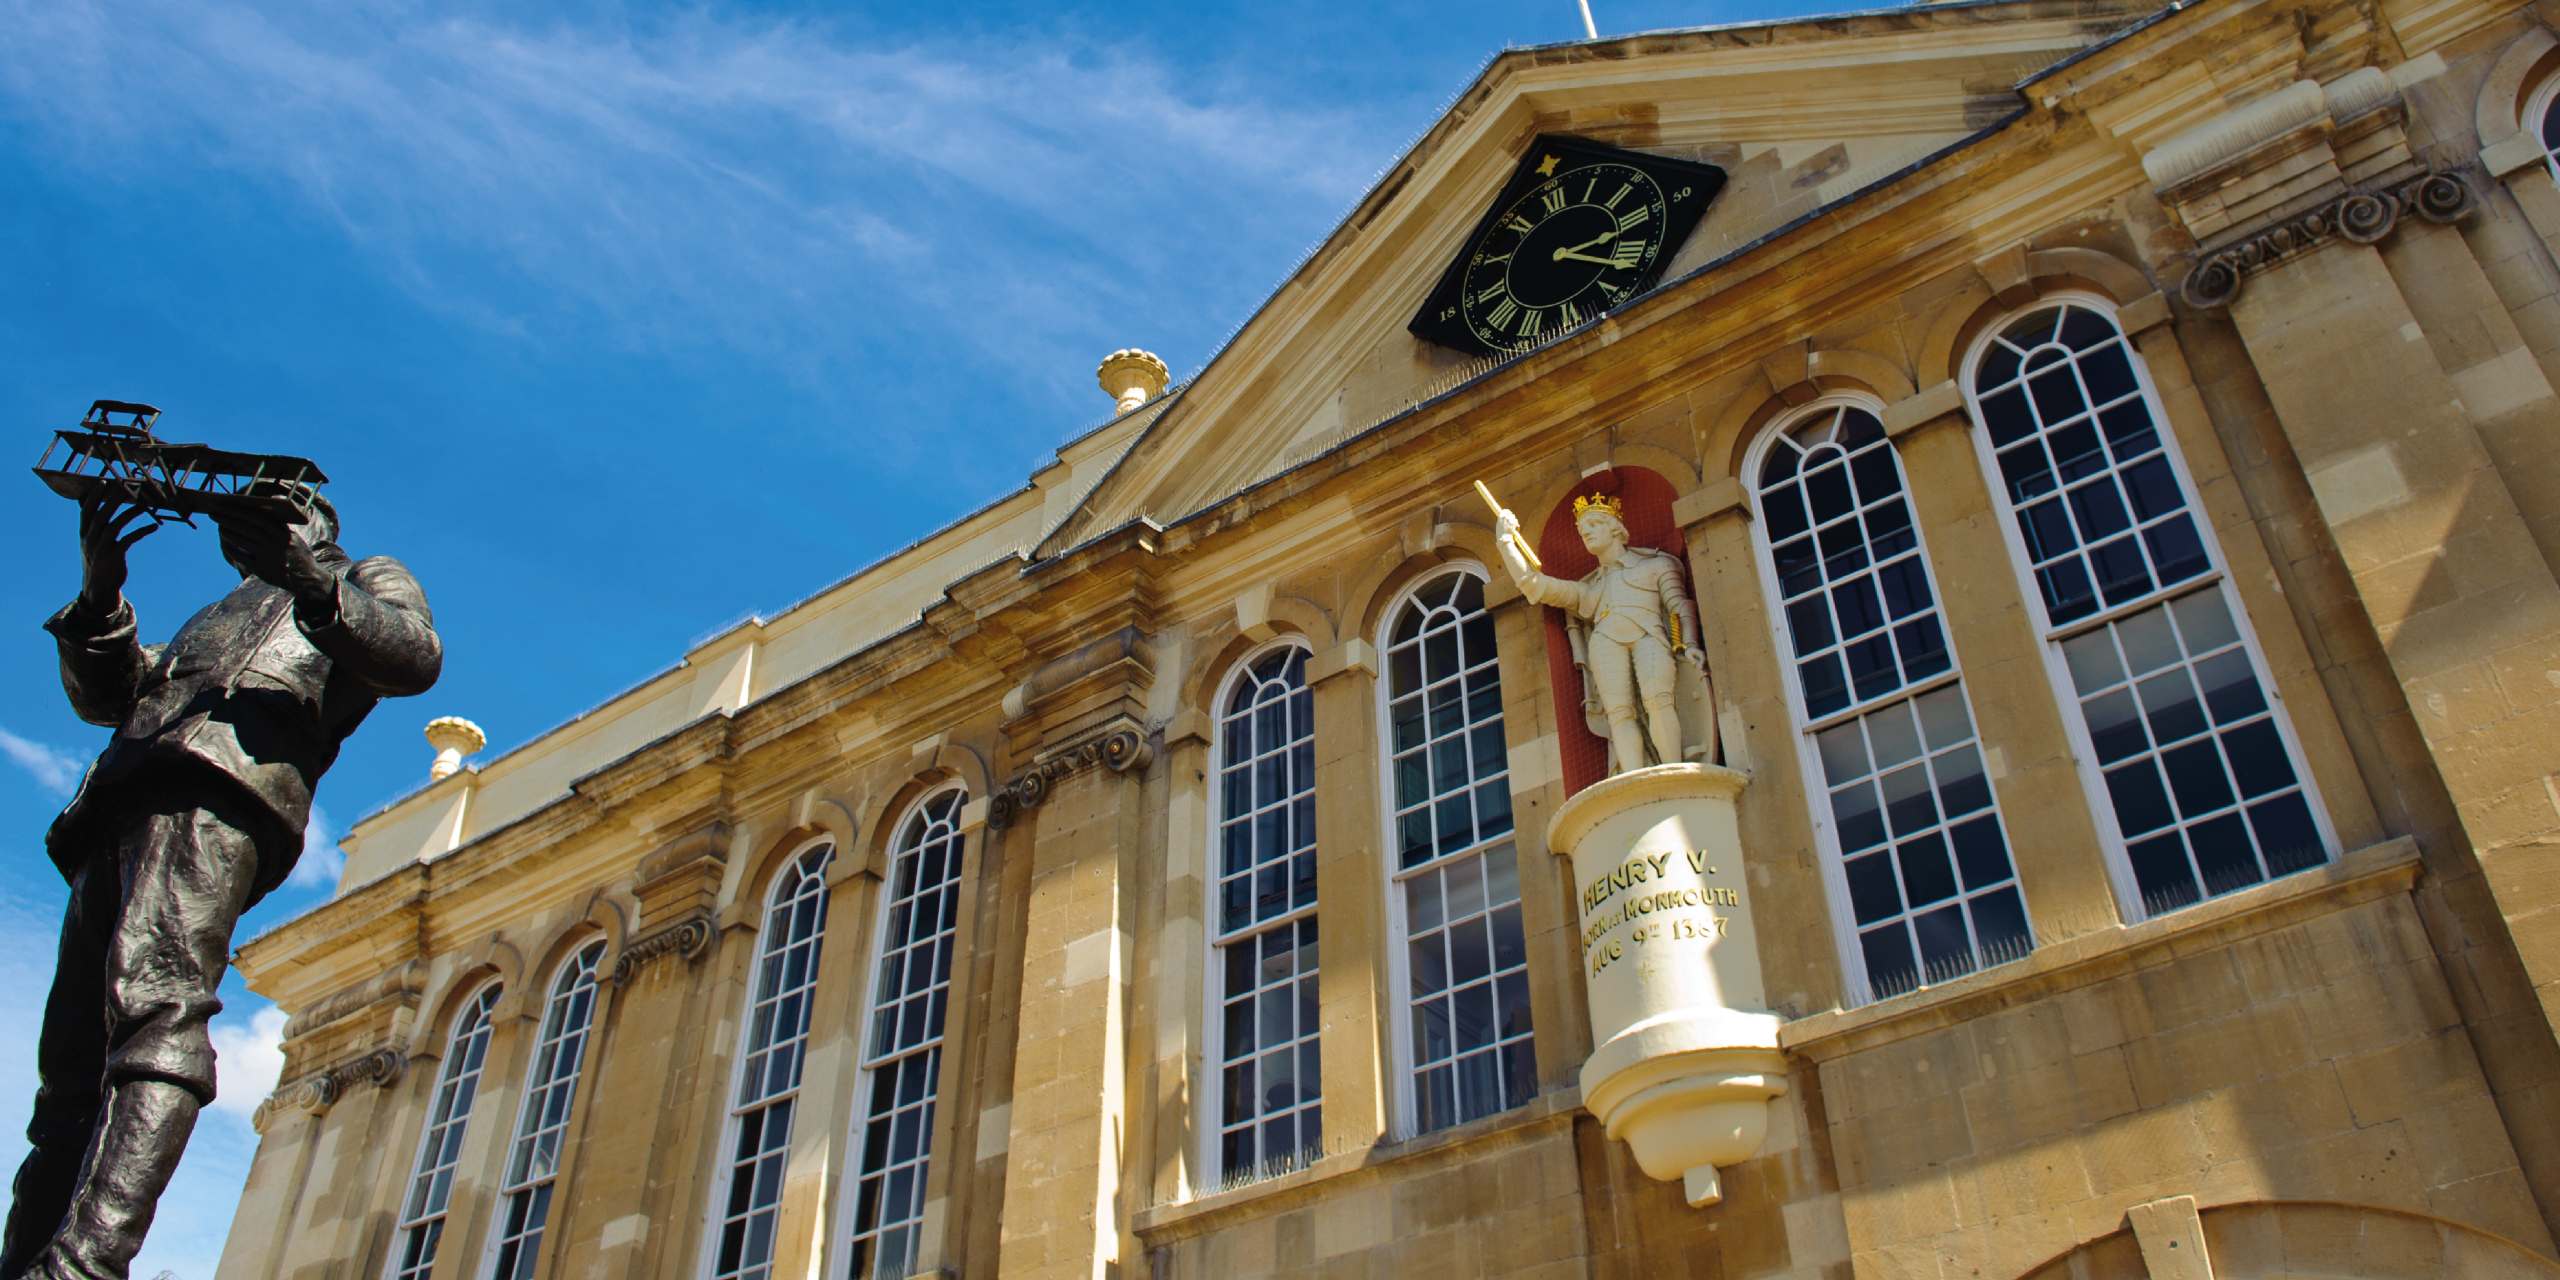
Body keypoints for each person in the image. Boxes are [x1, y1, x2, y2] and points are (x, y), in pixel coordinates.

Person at [3, 485, 441, 1280]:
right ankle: (29, 1256)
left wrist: (311, 580)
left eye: (280, 510)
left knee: (158, 1008)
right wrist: (101, 596)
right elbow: (113, 698)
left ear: (315, 523)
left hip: (219, 793)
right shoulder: (221, 609)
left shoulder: (363, 576)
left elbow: (413, 657)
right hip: (118, 805)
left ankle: (85, 1260)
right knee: (69, 1069)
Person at [1493, 493, 1711, 774]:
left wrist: (1689, 642)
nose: (1586, 532)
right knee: (1619, 714)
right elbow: (1534, 585)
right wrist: (1506, 542)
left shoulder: (1656, 566)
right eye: (1583, 530)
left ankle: (1673, 771)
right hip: (1605, 642)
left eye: (1595, 524)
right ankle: (1635, 777)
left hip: (1650, 635)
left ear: (1617, 528)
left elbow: (1679, 606)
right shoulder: (1590, 590)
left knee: (1659, 700)